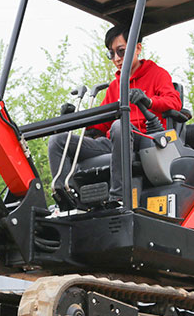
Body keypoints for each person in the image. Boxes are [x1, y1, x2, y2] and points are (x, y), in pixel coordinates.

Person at [47, 24, 181, 206]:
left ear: (137, 48)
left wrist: (148, 101)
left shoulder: (157, 74)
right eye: (111, 54)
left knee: (120, 125)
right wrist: (72, 119)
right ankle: (67, 199)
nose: (116, 58)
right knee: (59, 141)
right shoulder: (115, 86)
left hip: (146, 139)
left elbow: (174, 103)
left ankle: (118, 197)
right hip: (115, 142)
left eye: (121, 51)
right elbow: (99, 125)